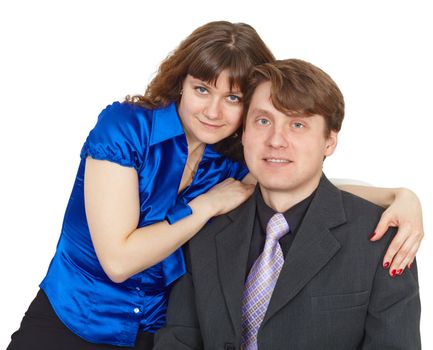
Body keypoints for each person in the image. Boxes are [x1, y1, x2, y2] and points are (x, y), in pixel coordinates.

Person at [7, 22, 422, 350]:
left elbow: (301, 181)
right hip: (73, 317)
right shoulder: (126, 129)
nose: (212, 111)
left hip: (154, 330)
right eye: (201, 89)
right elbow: (118, 260)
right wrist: (204, 206)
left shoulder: (233, 157)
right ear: (180, 84)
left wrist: (399, 196)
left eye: (234, 98)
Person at [154, 59, 421, 349]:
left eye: (297, 124)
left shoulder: (379, 238)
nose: (276, 140)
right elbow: (178, 340)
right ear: (243, 133)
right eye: (263, 121)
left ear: (329, 141)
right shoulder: (205, 227)